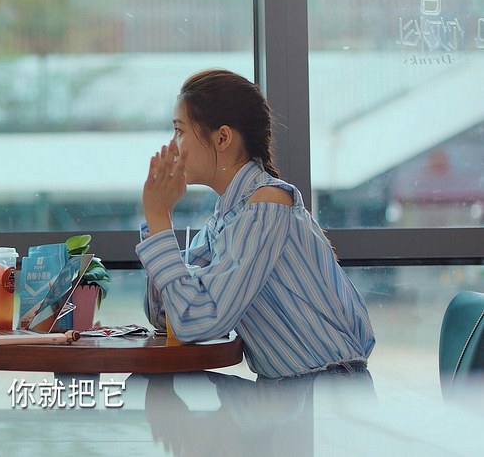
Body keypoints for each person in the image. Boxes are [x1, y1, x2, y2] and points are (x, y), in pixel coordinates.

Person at [137, 68, 375, 380]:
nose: (173, 145)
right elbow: (166, 316)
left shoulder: (267, 204)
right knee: (150, 382)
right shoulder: (226, 218)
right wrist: (157, 221)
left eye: (179, 131)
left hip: (325, 391)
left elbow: (195, 321)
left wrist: (159, 219)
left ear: (222, 137)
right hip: (283, 389)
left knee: (159, 384)